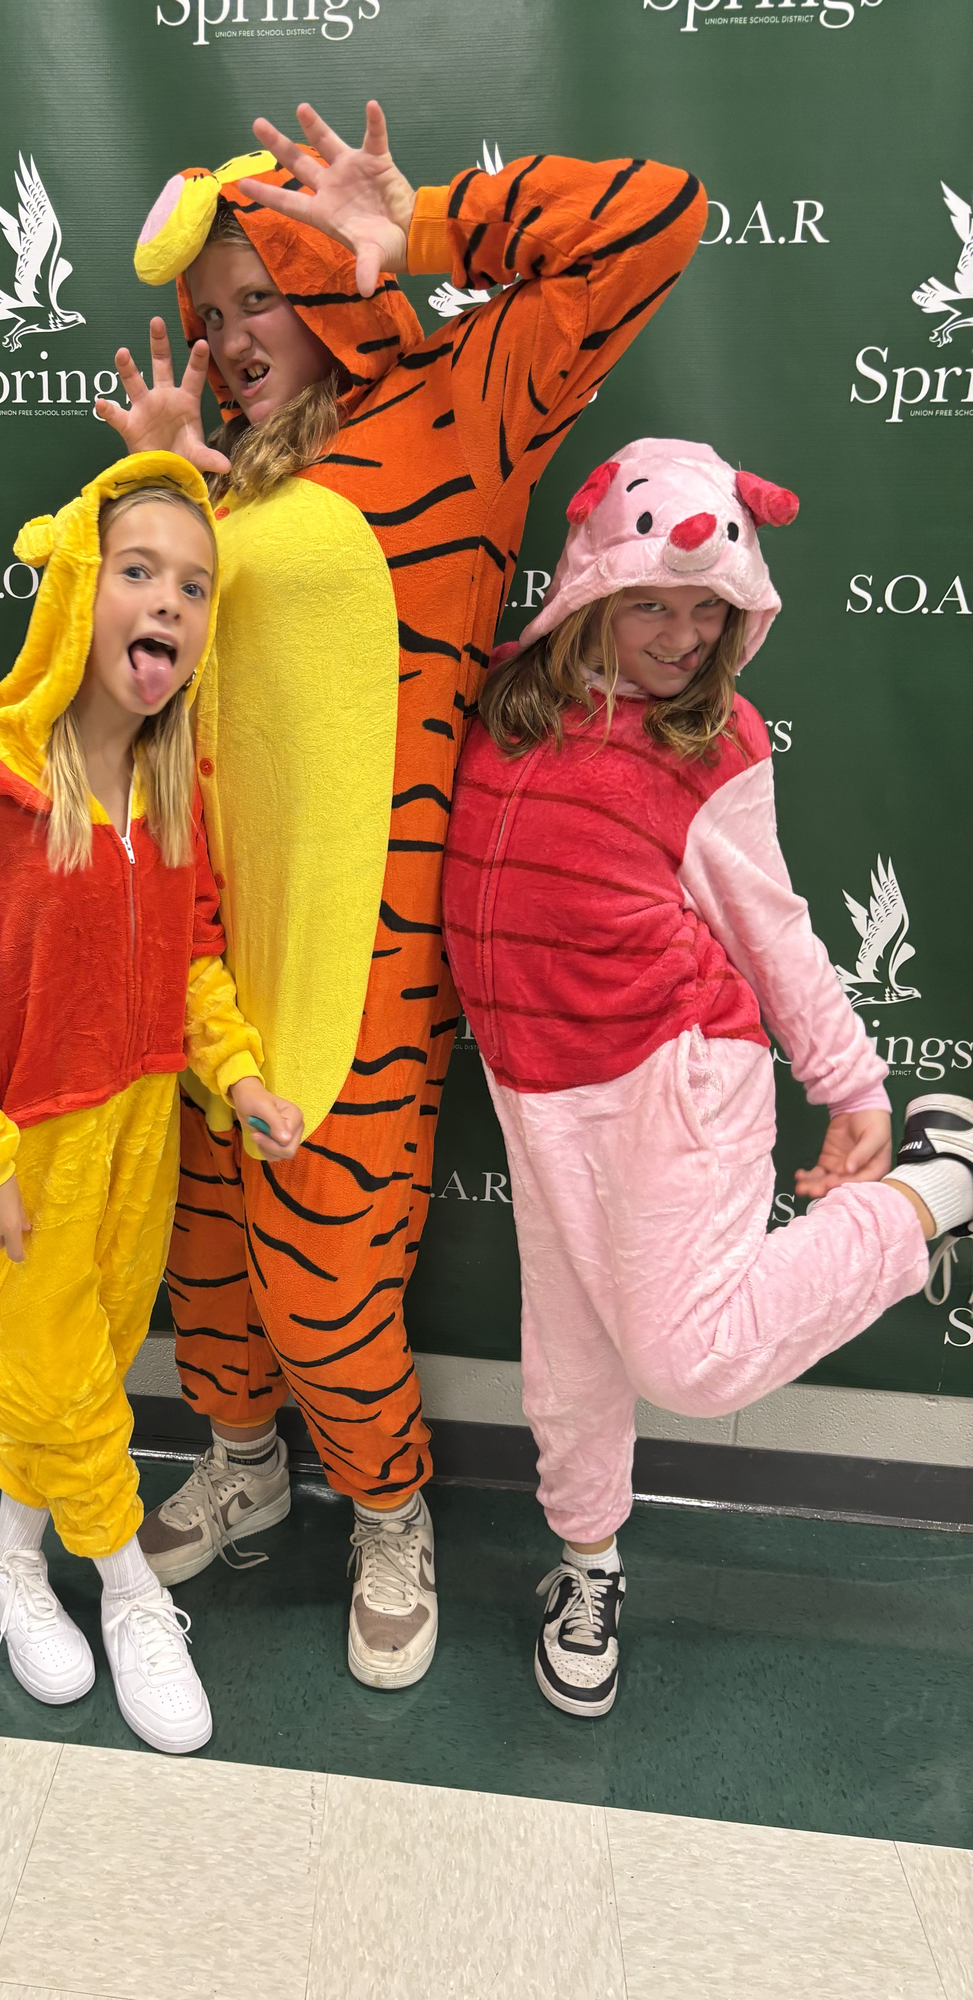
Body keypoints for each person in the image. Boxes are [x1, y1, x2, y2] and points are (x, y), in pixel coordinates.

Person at [99, 103, 707, 1689]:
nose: (234, 339)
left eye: (262, 295)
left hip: (359, 947)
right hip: (198, 926)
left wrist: (422, 226)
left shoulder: (457, 407)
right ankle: (241, 1465)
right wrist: (165, 508)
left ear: (324, 275)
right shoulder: (222, 481)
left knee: (326, 1269)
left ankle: (386, 1512)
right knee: (212, 1248)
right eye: (213, 313)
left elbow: (657, 217)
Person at [442, 438, 973, 1718]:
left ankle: (937, 1191)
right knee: (567, 1358)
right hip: (535, 1087)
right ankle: (588, 1560)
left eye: (710, 609)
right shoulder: (509, 702)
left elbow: (774, 928)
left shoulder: (716, 741)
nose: (684, 635)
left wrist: (856, 1089)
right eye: (654, 603)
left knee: (690, 1359)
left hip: (677, 1073)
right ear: (592, 592)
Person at [0, 451, 304, 1755]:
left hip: (140, 1144)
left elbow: (191, 969)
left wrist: (234, 1074)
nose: (167, 602)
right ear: (78, 590)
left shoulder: (173, 800)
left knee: (89, 1360)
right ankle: (128, 1590)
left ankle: (10, 1560)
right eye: (138, 572)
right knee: (63, 1383)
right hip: (27, 1150)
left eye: (193, 584)